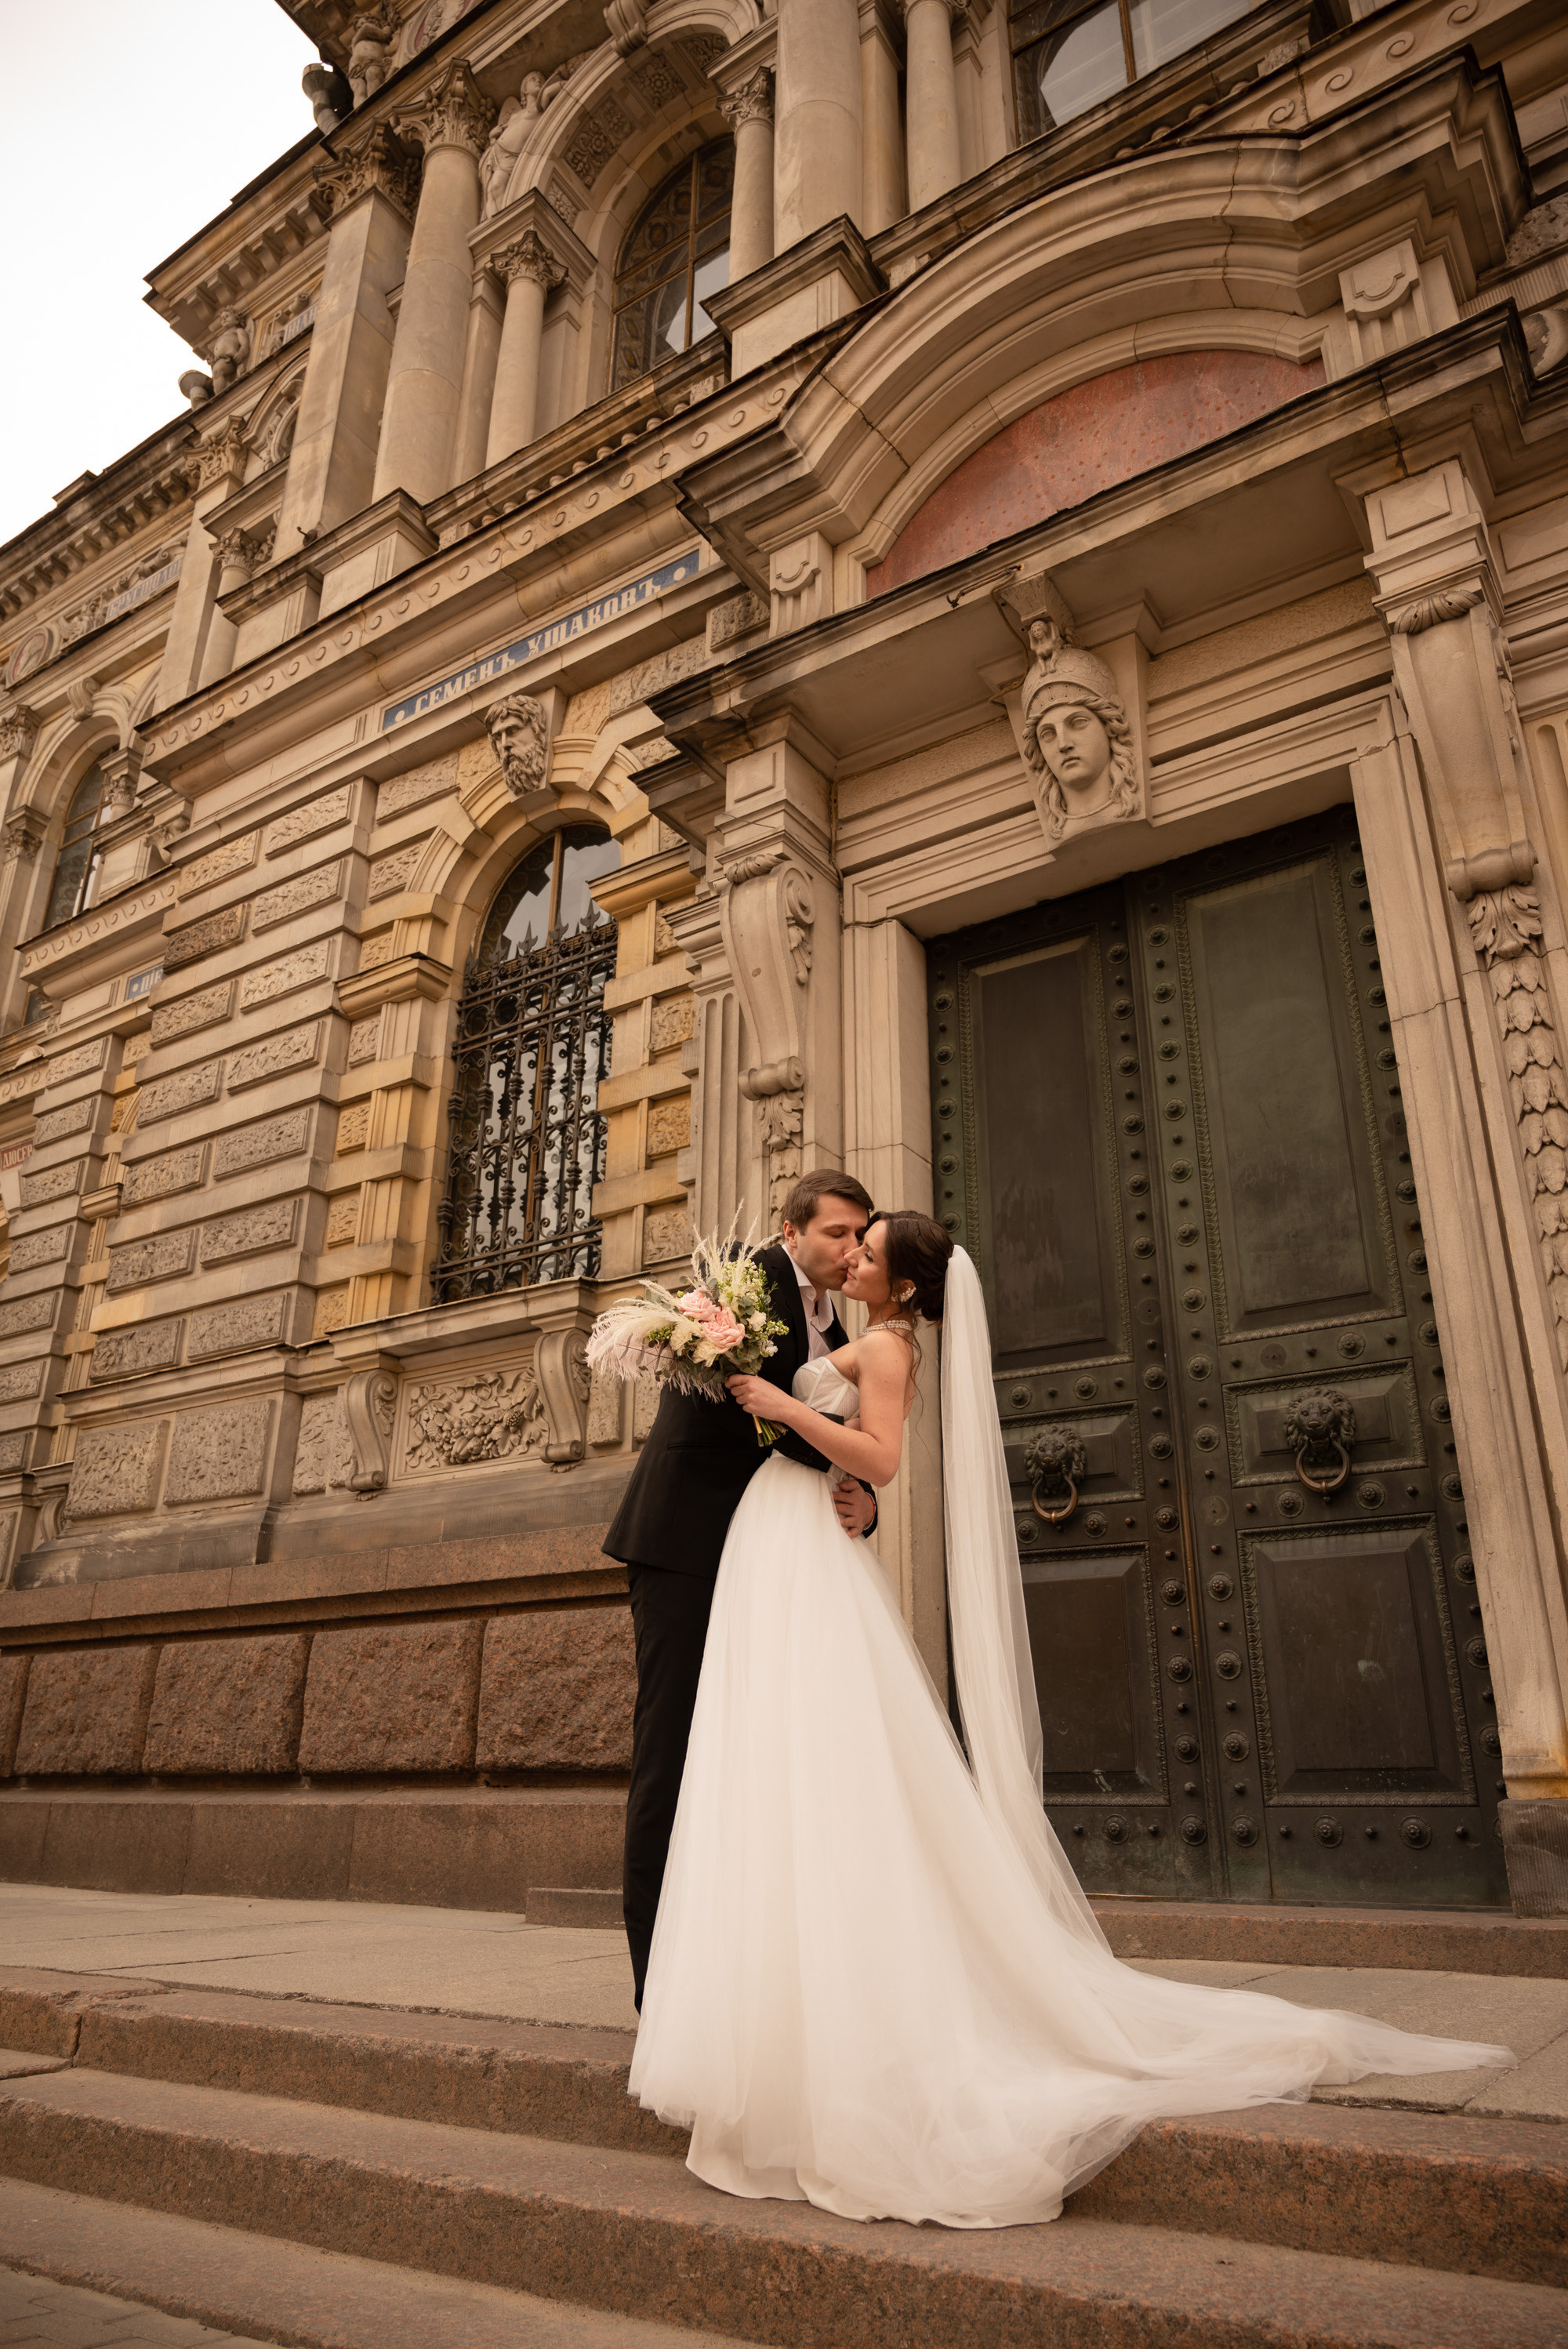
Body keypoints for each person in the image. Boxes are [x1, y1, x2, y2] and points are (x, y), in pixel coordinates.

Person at [628, 1211, 1514, 2228]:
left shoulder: (885, 1343)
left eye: (867, 1250)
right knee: (786, 1765)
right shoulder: (838, 1323)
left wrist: (787, 1407)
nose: (851, 1256)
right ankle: (779, 2007)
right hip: (780, 1546)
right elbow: (842, 1460)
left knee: (829, 1761)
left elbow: (877, 1455)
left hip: (803, 1557)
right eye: (848, 1241)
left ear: (903, 1284)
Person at [604, 1171, 880, 2011]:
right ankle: (658, 1992)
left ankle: (736, 1977)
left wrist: (864, 1500)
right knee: (673, 1754)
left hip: (772, 1561)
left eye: (860, 1234)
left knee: (753, 1755)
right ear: (790, 1231)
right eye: (835, 1232)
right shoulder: (740, 1282)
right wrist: (842, 1458)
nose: (850, 1248)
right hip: (689, 1546)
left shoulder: (838, 1323)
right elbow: (747, 1412)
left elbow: (833, 1435)